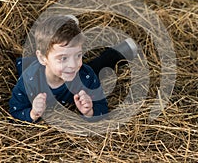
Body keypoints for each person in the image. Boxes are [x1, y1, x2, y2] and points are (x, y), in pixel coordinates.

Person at [9, 15, 137, 123]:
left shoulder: (85, 76)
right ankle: (64, 25)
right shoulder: (29, 81)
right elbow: (15, 111)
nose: (73, 64)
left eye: (78, 55)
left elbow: (102, 108)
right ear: (42, 58)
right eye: (63, 58)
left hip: (76, 76)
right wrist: (33, 113)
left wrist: (89, 111)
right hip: (37, 67)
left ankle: (116, 53)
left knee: (96, 67)